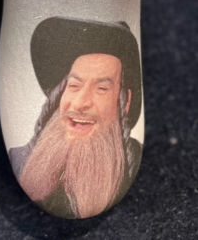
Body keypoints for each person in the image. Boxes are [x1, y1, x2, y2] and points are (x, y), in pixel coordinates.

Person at [9, 17, 142, 219]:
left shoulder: (133, 160)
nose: (80, 103)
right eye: (73, 86)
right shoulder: (20, 158)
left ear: (125, 102)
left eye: (101, 88)